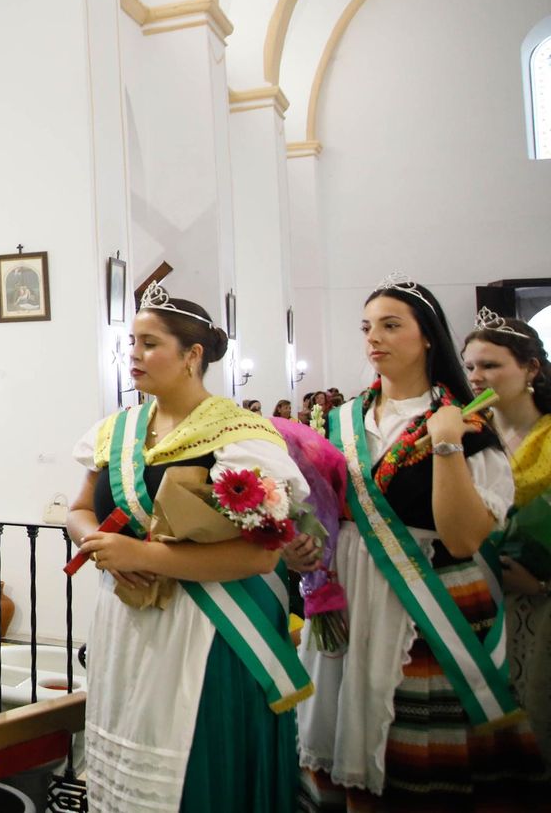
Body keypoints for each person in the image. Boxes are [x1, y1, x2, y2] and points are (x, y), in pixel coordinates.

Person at [300, 275, 546, 808]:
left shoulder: (468, 423)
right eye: (367, 327)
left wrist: (448, 446)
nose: (374, 338)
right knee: (343, 746)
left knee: (418, 763)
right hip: (348, 599)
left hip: (428, 599)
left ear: (428, 336)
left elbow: (462, 537)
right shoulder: (341, 421)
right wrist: (304, 544)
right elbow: (322, 510)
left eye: (392, 325)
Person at [66, 281, 309, 812]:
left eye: (149, 343)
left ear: (192, 355)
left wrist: (143, 556)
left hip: (209, 629)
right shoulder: (117, 431)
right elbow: (79, 510)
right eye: (131, 341)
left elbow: (261, 554)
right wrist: (98, 544)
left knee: (197, 764)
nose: (134, 354)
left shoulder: (241, 436)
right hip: (126, 623)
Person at [463, 310, 551, 760]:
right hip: (470, 597)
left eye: (491, 365)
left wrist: (541, 584)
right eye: (471, 366)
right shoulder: (466, 436)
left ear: (531, 367)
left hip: (537, 606)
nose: (477, 377)